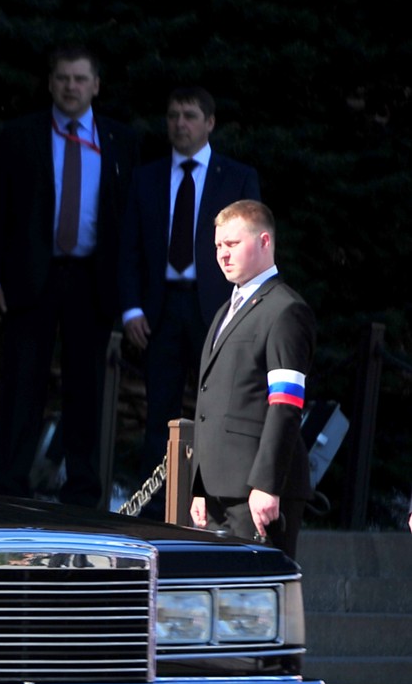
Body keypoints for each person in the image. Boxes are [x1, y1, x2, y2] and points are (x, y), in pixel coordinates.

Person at [0, 46, 139, 505]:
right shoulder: (22, 136)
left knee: (85, 389)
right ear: (51, 83)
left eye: (80, 79)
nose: (71, 87)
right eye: (64, 78)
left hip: (92, 280)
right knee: (22, 382)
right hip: (32, 279)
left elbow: (129, 223)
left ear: (96, 86)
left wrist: (129, 292)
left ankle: (83, 490)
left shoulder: (120, 141)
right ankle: (9, 485)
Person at [119, 87, 260, 503]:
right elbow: (128, 248)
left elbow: (251, 248)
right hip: (159, 312)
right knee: (158, 416)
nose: (180, 124)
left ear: (210, 122)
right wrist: (130, 309)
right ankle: (153, 510)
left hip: (215, 310)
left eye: (190, 116)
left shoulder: (235, 177)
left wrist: (242, 311)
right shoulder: (147, 177)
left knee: (221, 412)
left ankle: (216, 503)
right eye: (174, 115)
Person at [190, 200, 315, 557]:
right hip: (218, 491)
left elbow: (286, 404)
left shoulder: (285, 310)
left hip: (256, 494)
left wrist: (266, 484)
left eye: (232, 245)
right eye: (217, 246)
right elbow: (212, 402)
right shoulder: (225, 311)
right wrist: (199, 486)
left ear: (264, 242)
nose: (222, 255)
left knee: (257, 607)